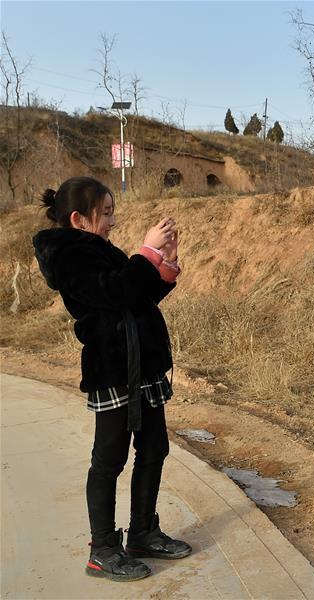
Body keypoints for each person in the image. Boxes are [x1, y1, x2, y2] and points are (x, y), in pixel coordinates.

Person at [33, 176, 191, 582]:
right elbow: (115, 292)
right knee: (109, 459)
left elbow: (137, 296)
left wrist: (165, 265)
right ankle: (103, 549)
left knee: (154, 448)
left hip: (143, 367)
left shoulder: (99, 249)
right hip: (113, 369)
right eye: (106, 213)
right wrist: (146, 251)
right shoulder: (68, 255)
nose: (112, 221)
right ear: (79, 218)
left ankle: (142, 533)